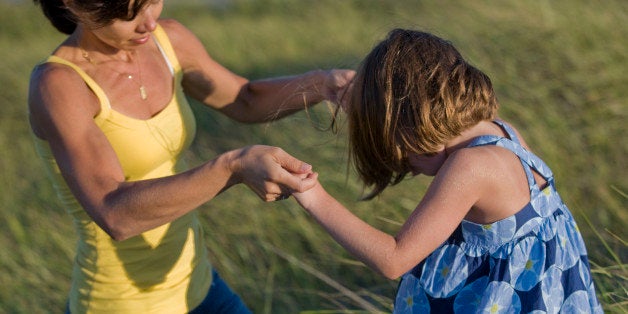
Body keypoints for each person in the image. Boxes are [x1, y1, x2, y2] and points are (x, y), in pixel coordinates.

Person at [28, 0, 354, 313]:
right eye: (129, 14)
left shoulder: (169, 41)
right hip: (121, 305)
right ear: (73, 4)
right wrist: (232, 168)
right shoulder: (59, 85)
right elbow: (115, 213)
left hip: (200, 287)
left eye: (153, 1)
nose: (150, 22)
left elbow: (245, 100)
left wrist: (323, 84)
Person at [292, 29, 603, 313]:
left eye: (397, 148)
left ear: (412, 125)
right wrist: (371, 103)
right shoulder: (501, 132)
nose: (404, 165)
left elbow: (394, 260)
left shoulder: (470, 167)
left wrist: (311, 195)